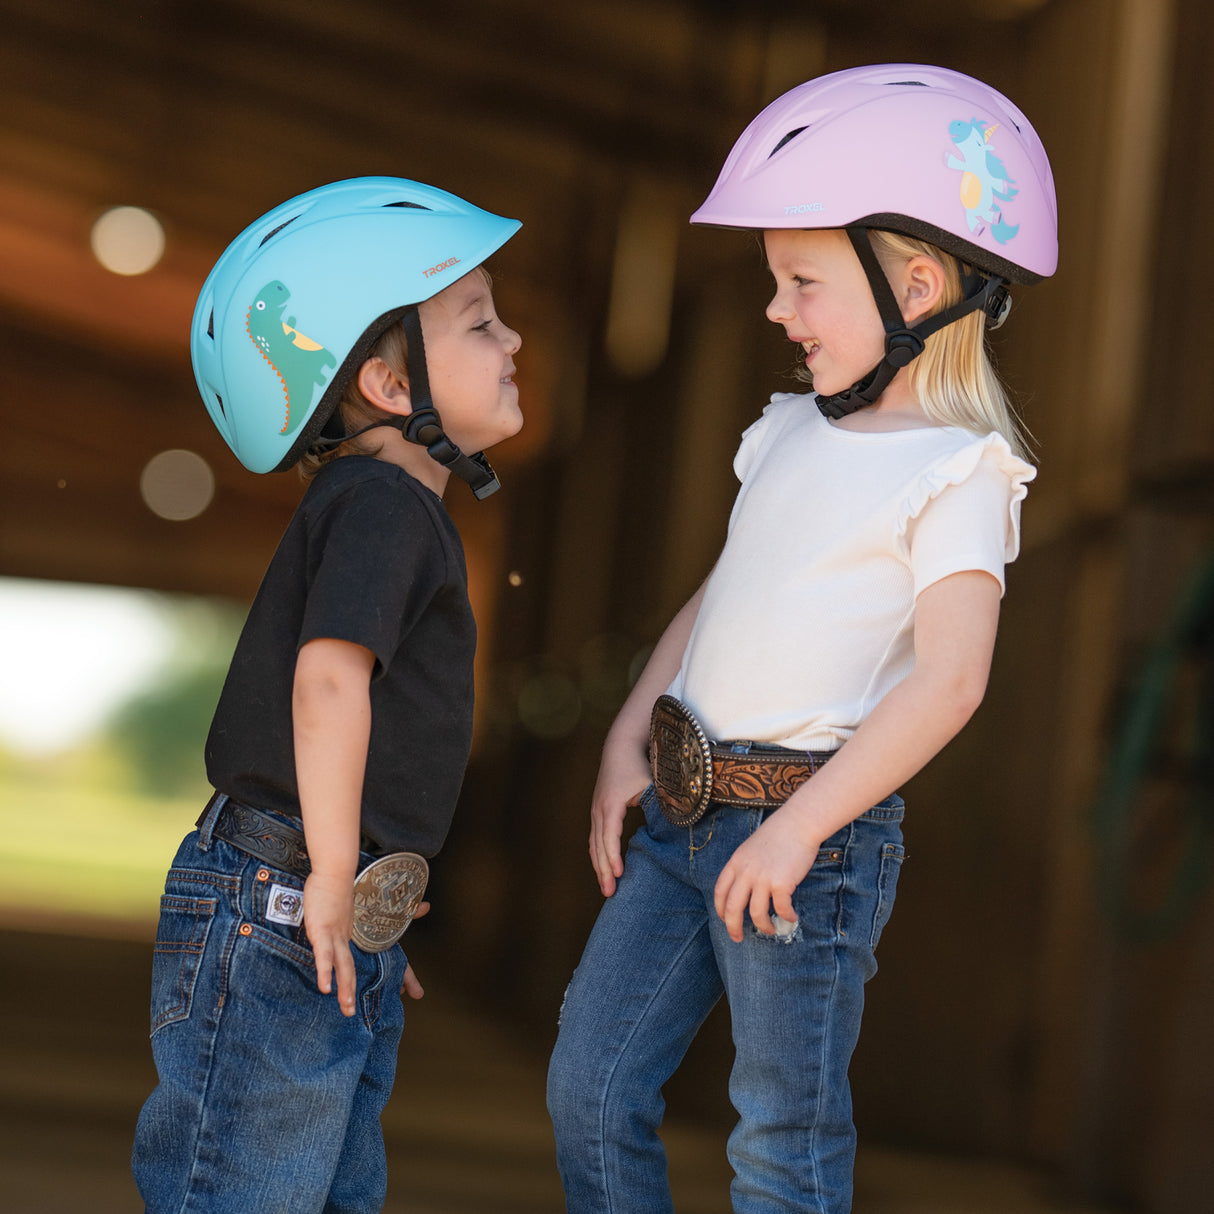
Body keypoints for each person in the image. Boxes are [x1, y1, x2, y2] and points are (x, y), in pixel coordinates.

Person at [547, 64, 1058, 1213]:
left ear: (915, 285)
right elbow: (716, 599)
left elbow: (951, 679)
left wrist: (793, 832)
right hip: (681, 820)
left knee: (779, 1132)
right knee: (588, 1082)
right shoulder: (783, 430)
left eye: (802, 281)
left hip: (809, 841)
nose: (777, 310)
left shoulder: (959, 471)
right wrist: (626, 734)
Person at [131, 177, 524, 1213]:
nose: (513, 337)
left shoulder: (388, 510)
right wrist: (338, 877)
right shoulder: (387, 505)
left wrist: (368, 907)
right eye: (480, 321)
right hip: (287, 898)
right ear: (393, 387)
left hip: (309, 906)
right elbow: (329, 676)